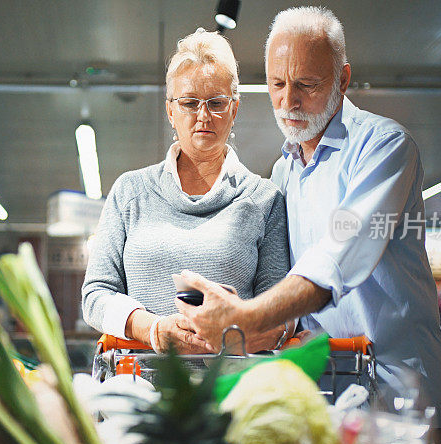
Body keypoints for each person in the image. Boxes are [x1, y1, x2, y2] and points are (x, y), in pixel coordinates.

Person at [176, 7, 441, 443]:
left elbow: (335, 260)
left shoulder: (384, 147)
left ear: (342, 80)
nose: (288, 102)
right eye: (277, 84)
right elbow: (293, 293)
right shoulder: (284, 173)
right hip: (324, 396)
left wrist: (247, 315)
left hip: (398, 398)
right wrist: (256, 320)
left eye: (305, 84)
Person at [82, 28, 290, 354]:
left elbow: (279, 307)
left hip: (231, 388)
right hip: (139, 385)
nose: (203, 116)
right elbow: (95, 294)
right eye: (190, 103)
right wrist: (152, 329)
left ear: (234, 109)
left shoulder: (264, 200)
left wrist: (247, 328)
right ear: (170, 111)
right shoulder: (130, 192)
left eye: (216, 103)